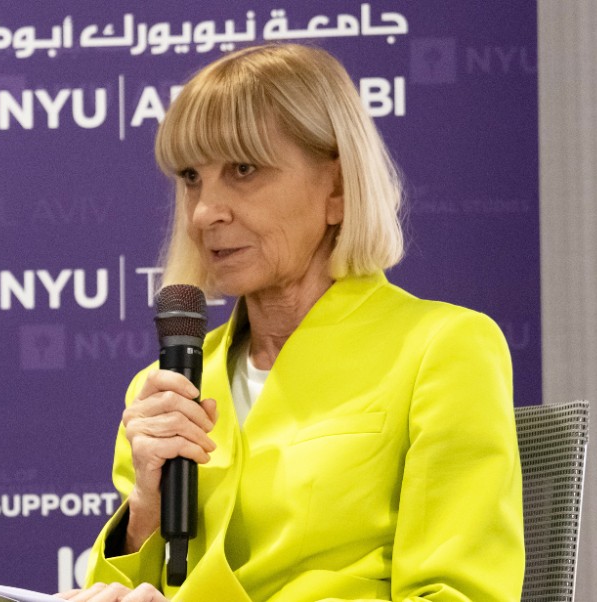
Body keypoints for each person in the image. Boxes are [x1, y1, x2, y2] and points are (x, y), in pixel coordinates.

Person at [58, 43, 523, 602]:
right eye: (191, 177)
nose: (205, 212)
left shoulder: (442, 349)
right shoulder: (168, 385)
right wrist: (145, 515)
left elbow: (459, 594)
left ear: (338, 189)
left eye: (243, 169)